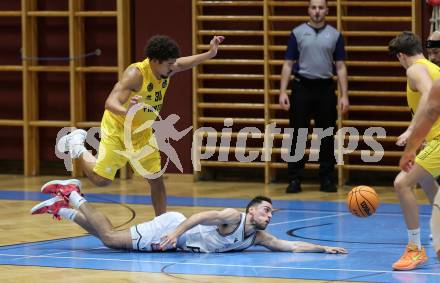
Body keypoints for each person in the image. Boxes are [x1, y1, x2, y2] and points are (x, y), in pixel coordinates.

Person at [56, 35, 224, 216]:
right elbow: (110, 102)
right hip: (118, 129)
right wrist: (126, 111)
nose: (172, 67)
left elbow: (183, 64)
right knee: (102, 180)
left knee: (156, 179)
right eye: (169, 64)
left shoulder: (165, 69)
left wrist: (209, 53)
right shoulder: (136, 74)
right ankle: (77, 146)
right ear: (155, 61)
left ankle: (162, 223)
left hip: (141, 133)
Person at [31, 179, 348, 254]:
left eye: (271, 212)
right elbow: (198, 216)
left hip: (176, 237)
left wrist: (323, 248)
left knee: (110, 239)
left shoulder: (257, 236)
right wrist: (173, 233)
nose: (269, 214)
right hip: (175, 229)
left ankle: (62, 208)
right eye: (266, 208)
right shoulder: (232, 217)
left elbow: (289, 247)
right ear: (251, 209)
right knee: (112, 238)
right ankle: (72, 193)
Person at [279, 0, 349, 194]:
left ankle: (327, 178)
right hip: (302, 87)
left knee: (326, 135)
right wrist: (283, 91)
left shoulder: (335, 35)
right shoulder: (297, 33)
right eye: (313, 7)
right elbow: (287, 63)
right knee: (298, 135)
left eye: (320, 8)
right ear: (308, 10)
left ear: (326, 10)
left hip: (325, 88)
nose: (317, 11)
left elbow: (341, 66)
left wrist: (344, 95)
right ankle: (294, 179)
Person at [388, 31, 440, 270]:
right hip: (434, 139)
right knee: (428, 182)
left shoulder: (414, 69)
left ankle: (415, 249)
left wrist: (411, 133)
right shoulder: (432, 66)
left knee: (402, 183)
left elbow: (430, 97)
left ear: (401, 55)